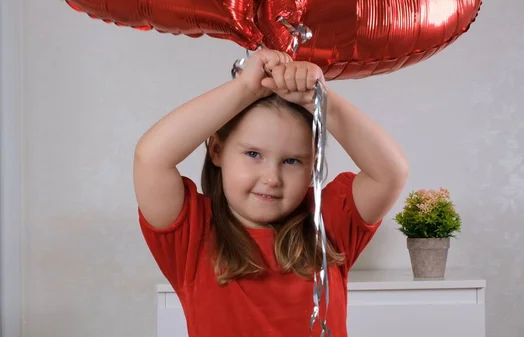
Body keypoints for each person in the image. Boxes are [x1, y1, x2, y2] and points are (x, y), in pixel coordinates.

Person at [133, 49, 409, 337]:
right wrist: (244, 89)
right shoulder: (193, 234)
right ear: (217, 150)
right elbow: (150, 158)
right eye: (253, 154)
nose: (272, 178)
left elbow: (390, 173)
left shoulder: (327, 223)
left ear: (312, 165)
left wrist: (323, 103)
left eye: (292, 161)